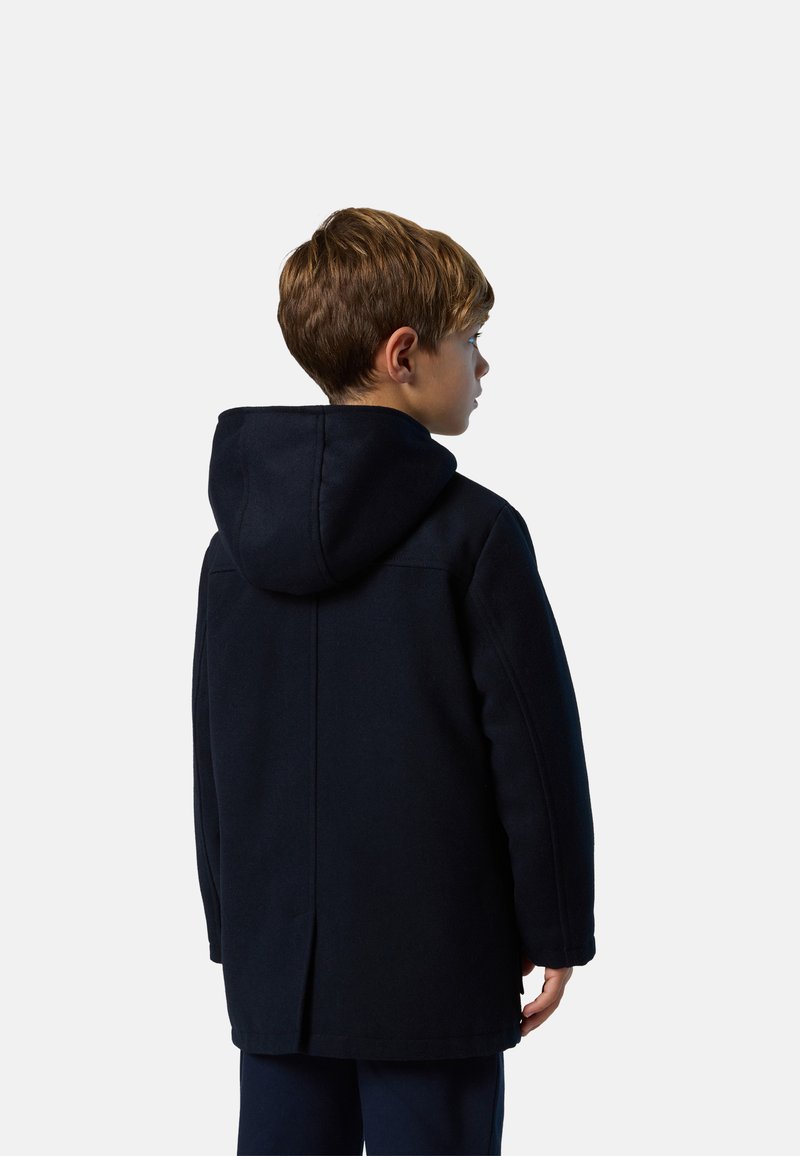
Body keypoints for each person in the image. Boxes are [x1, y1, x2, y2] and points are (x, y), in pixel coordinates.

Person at [191, 207, 596, 1155]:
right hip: (436, 965)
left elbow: (216, 757)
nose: (485, 366)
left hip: (279, 966)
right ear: (405, 353)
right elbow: (534, 755)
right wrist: (557, 928)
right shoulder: (476, 533)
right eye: (473, 340)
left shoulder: (230, 548)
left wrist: (235, 930)